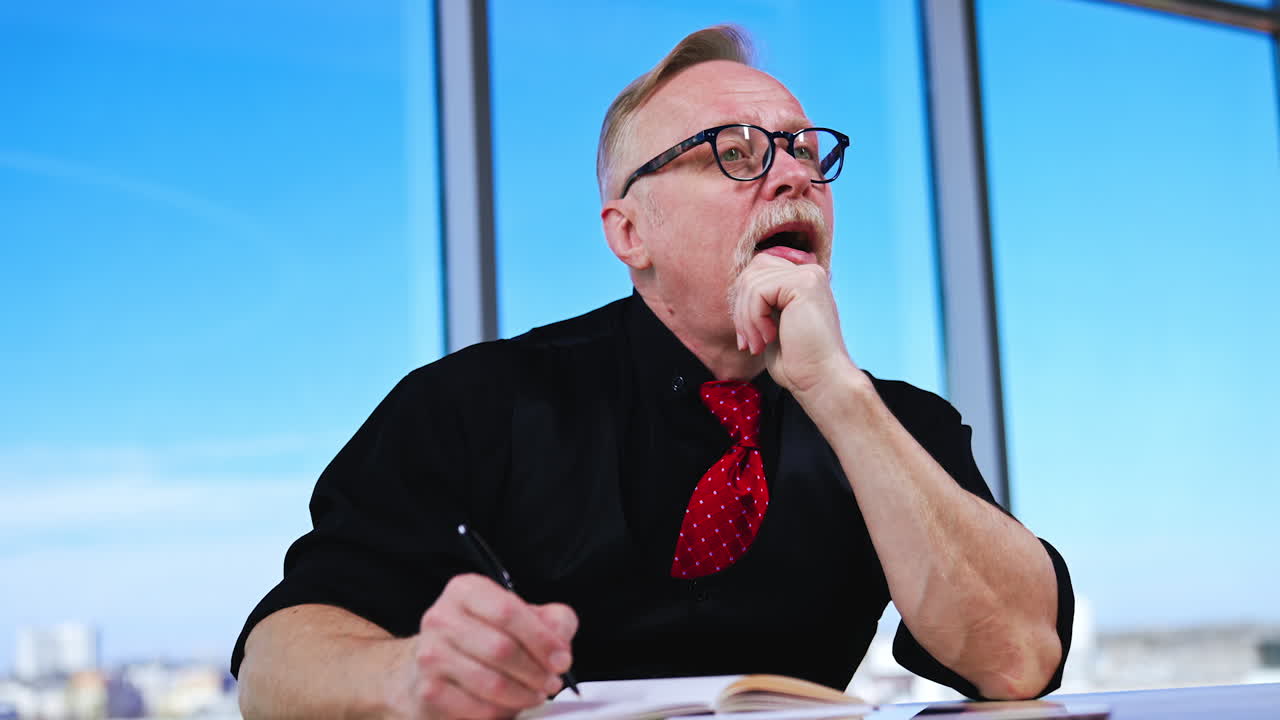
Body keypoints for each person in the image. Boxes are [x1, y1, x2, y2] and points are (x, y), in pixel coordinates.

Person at [232, 25, 1074, 720]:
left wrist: (838, 396)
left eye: (805, 152)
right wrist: (408, 677)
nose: (793, 176)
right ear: (630, 232)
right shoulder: (472, 404)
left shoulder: (897, 425)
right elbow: (273, 667)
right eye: (734, 153)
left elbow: (1017, 659)